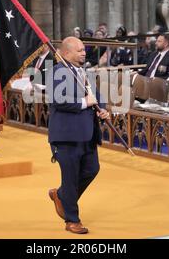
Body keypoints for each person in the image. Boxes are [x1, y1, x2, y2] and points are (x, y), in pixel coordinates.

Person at [47, 37, 110, 235]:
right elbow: (59, 101)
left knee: (92, 169)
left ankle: (62, 195)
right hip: (67, 135)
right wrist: (86, 102)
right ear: (66, 53)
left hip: (88, 133)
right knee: (71, 177)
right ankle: (72, 220)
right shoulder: (56, 72)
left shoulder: (84, 72)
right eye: (80, 50)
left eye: (84, 50)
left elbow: (95, 96)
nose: (84, 53)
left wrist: (103, 109)